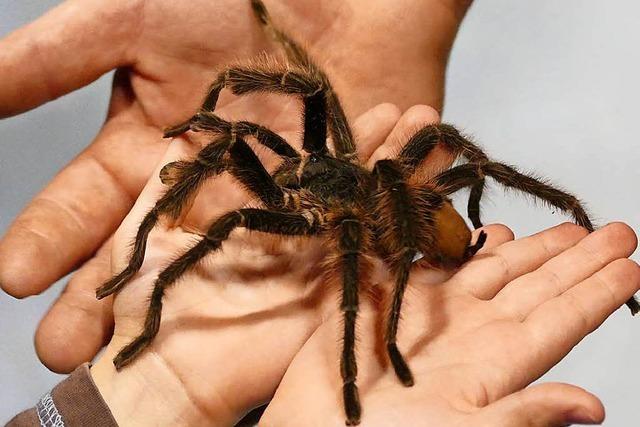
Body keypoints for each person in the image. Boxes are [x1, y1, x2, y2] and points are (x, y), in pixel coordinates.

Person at [2, 1, 639, 426]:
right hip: (390, 205)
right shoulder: (310, 166)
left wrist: (386, 323)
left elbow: (370, 216)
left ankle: (373, 343)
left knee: (256, 215)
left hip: (400, 223)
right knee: (286, 120)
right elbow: (268, 121)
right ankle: (147, 277)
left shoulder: (350, 208)